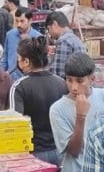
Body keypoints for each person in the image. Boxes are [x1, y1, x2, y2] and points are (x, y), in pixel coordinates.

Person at [49, 52, 104, 172]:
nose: (74, 87)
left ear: (92, 79)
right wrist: (80, 117)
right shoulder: (57, 109)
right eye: (69, 80)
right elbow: (74, 151)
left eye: (80, 81)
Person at [10, 36, 66, 165]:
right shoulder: (61, 83)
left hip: (33, 153)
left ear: (26, 61)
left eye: (19, 59)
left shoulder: (19, 87)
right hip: (60, 151)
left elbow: (16, 124)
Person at [1, 8, 42, 80]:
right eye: (17, 21)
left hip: (31, 79)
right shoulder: (10, 35)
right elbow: (5, 57)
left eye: (22, 21)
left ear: (30, 21)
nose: (19, 24)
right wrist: (1, 74)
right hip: (11, 79)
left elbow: (41, 62)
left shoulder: (38, 37)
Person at [45, 11, 87, 80]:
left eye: (48, 29)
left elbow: (58, 74)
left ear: (54, 24)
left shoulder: (63, 41)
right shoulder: (74, 38)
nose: (49, 34)